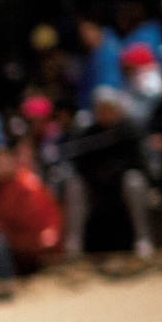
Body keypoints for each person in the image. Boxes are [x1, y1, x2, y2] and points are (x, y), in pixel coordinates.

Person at [65, 86, 155, 259]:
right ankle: (74, 244)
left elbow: (140, 163)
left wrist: (115, 171)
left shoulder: (130, 130)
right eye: (101, 109)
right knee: (74, 184)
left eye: (109, 109)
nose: (105, 114)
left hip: (123, 186)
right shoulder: (88, 134)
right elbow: (80, 165)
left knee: (134, 180)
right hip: (96, 189)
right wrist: (98, 176)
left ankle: (143, 239)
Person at [0, 147, 62, 296]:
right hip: (8, 245)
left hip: (31, 244)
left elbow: (46, 218)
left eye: (3, 162)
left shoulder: (27, 184)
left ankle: (4, 285)